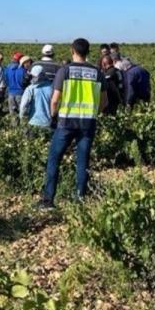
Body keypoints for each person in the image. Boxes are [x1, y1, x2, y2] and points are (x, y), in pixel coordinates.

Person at [37, 38, 108, 209]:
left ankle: (48, 200)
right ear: (88, 52)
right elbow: (105, 102)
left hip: (66, 122)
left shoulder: (65, 71)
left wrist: (54, 117)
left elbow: (54, 101)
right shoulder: (97, 72)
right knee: (83, 161)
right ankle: (80, 200)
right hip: (88, 123)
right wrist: (93, 113)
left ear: (72, 50)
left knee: (54, 159)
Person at [19, 64, 54, 135]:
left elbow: (23, 106)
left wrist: (22, 118)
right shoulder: (51, 87)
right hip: (47, 122)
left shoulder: (30, 89)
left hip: (33, 122)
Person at [3, 52, 27, 116]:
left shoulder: (7, 69)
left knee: (13, 114)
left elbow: (5, 81)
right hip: (20, 93)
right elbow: (25, 82)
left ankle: (13, 126)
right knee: (22, 114)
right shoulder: (23, 70)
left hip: (10, 94)